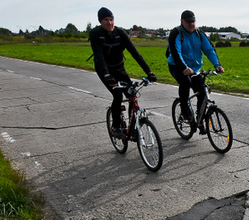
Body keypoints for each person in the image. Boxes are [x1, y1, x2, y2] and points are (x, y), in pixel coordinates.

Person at [89, 7, 157, 137]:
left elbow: (135, 54)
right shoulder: (96, 34)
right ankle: (115, 127)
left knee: (132, 94)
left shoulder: (120, 33)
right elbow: (99, 56)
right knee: (118, 95)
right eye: (106, 20)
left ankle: (133, 126)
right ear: (100, 21)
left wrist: (149, 72)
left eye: (111, 19)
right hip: (105, 70)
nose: (109, 23)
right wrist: (107, 75)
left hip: (119, 68)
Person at [166, 10, 225, 130]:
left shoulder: (199, 33)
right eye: (188, 22)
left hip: (194, 68)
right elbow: (176, 52)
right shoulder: (176, 33)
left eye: (193, 21)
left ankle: (200, 119)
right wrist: (184, 68)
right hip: (177, 66)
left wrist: (217, 65)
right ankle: (184, 110)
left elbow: (209, 50)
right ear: (182, 21)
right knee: (186, 82)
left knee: (203, 92)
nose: (191, 24)